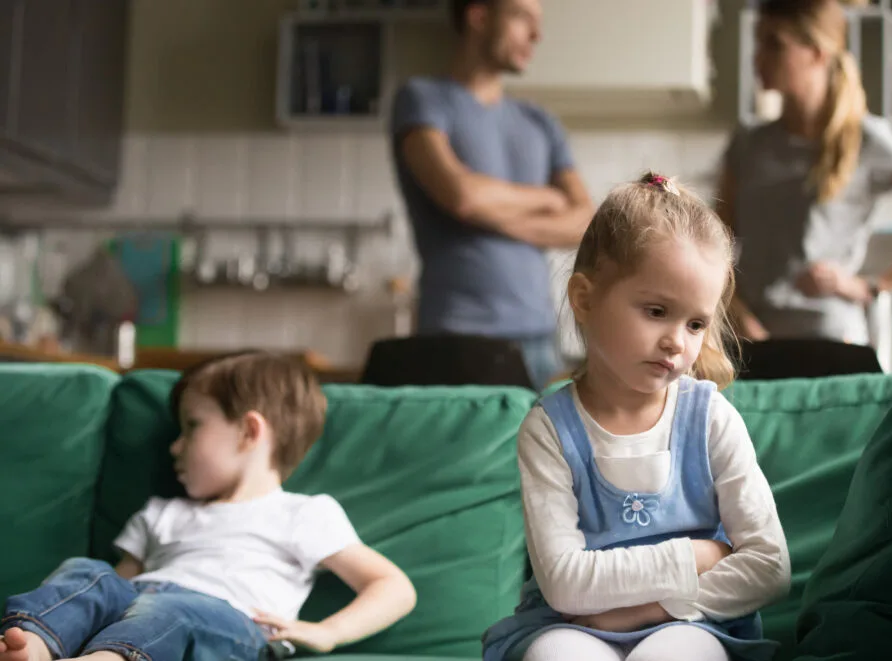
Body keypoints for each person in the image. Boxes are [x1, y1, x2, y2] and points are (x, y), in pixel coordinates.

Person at [481, 173, 791, 661]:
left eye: (695, 323)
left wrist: (651, 609)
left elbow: (770, 567)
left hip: (696, 620)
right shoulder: (548, 429)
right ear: (584, 299)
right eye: (655, 311)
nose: (678, 341)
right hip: (571, 625)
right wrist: (694, 555)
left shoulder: (711, 419)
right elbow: (564, 584)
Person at [0, 351, 416, 661]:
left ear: (249, 431)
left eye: (192, 427)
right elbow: (115, 588)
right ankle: (31, 644)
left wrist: (328, 631)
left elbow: (393, 587)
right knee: (87, 571)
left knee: (172, 610)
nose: (174, 447)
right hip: (139, 603)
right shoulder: (163, 512)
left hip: (225, 622)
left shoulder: (304, 514)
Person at [719, 0, 892, 345]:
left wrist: (870, 287)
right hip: (749, 343)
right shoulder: (747, 143)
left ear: (817, 53)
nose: (757, 58)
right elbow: (714, 248)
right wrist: (738, 316)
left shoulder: (867, 140)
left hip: (831, 343)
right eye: (759, 43)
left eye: (774, 44)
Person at [389, 0, 595, 390]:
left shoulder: (540, 122)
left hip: (540, 336)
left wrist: (490, 213)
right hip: (457, 333)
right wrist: (547, 198)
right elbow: (461, 194)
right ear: (479, 16)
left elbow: (586, 220)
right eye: (522, 18)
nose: (536, 36)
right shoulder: (421, 99)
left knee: (546, 452)